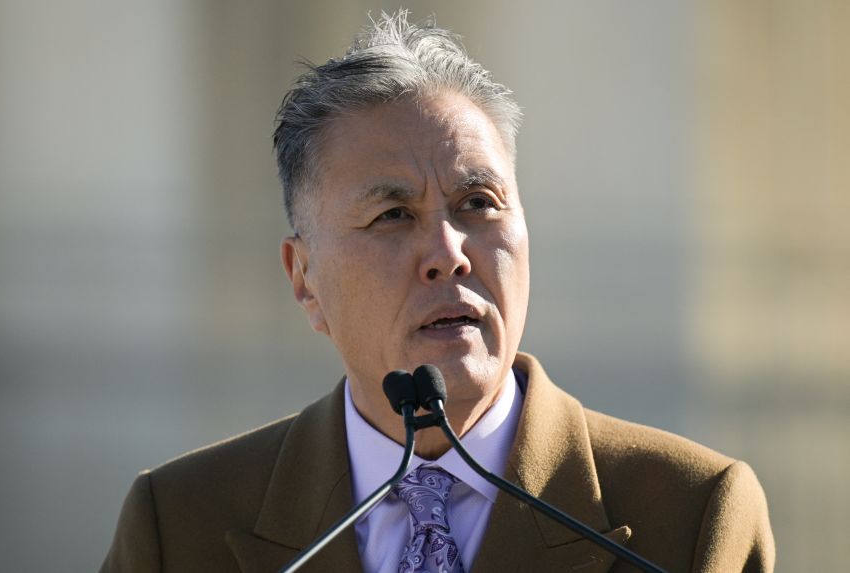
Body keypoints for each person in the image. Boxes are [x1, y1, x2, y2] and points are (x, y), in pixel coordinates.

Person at [101, 12, 774, 573]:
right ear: (303, 279)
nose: (450, 255)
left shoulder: (692, 515)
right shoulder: (182, 523)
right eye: (393, 216)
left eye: (479, 203)